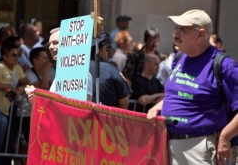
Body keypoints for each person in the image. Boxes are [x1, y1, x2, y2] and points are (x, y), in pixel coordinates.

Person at [147, 9, 238, 165]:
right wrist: (158, 106)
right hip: (167, 144)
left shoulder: (224, 65)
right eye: (176, 29)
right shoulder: (179, 58)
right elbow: (177, 93)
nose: (175, 34)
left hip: (201, 148)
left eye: (182, 30)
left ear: (201, 34)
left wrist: (225, 137)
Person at [89, 33, 132, 109]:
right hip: (106, 119)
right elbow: (124, 101)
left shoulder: (79, 69)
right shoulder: (111, 69)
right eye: (106, 50)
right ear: (99, 51)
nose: (108, 53)